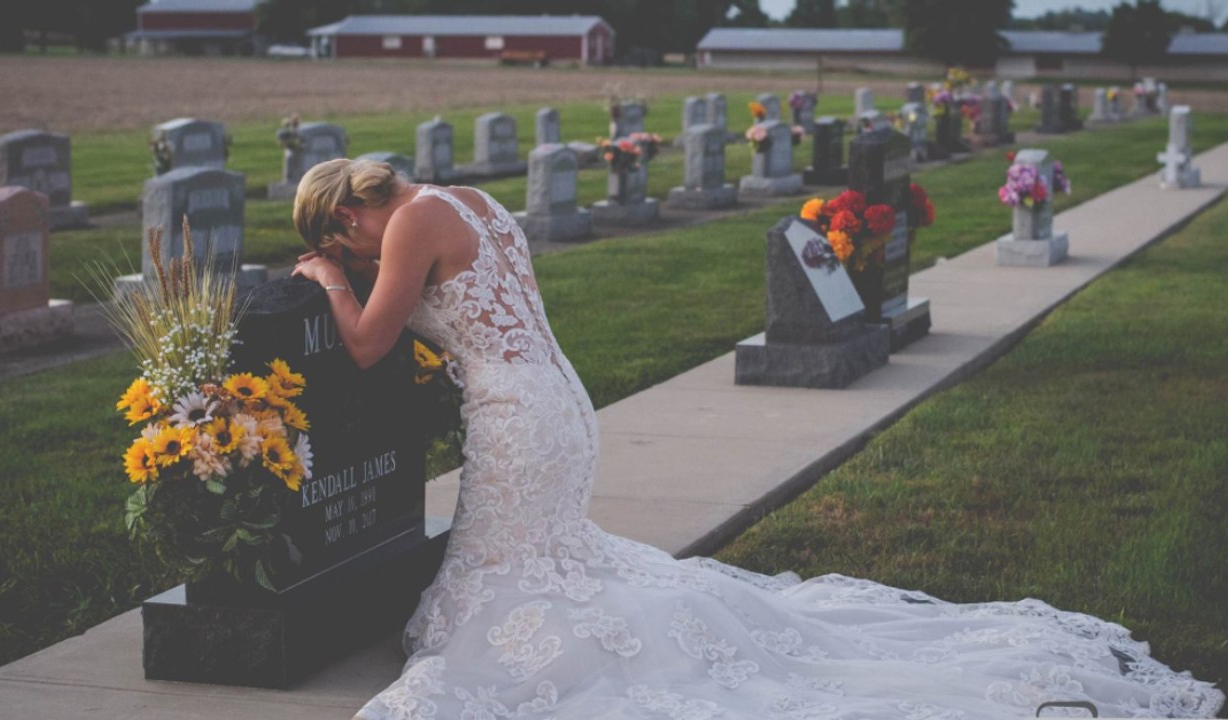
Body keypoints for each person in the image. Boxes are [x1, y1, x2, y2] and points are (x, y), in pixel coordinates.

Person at [290, 159, 1223, 719]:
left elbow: (368, 342)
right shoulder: (465, 199)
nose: (357, 256)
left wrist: (327, 283)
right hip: (556, 398)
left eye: (345, 244)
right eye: (346, 257)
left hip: (516, 415)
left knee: (514, 578)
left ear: (346, 213)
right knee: (543, 558)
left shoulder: (407, 222)